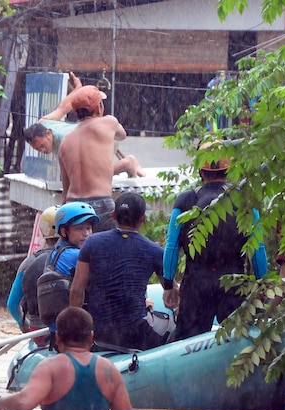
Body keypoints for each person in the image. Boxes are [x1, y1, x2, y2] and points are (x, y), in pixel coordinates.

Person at [163, 141, 268, 341]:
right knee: (238, 344)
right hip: (234, 283)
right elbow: (258, 247)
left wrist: (169, 285)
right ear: (228, 170)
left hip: (196, 285)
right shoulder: (245, 199)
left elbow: (171, 246)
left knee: (187, 346)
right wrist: (263, 285)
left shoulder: (185, 201)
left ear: (200, 171)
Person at [0, 307, 132, 410]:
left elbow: (23, 403)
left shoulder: (49, 367)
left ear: (57, 337)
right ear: (91, 337)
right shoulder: (110, 370)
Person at [70, 191, 172, 351]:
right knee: (171, 329)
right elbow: (170, 295)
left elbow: (77, 290)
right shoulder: (155, 250)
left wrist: (76, 331)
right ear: (143, 218)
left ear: (114, 215)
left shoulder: (92, 243)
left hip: (101, 332)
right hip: (136, 334)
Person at [24, 72, 145, 180]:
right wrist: (77, 89)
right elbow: (64, 107)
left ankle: (127, 164)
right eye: (38, 149)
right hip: (94, 131)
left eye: (42, 146)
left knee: (94, 176)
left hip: (99, 138)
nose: (42, 151)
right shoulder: (43, 122)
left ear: (48, 133)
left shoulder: (66, 142)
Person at [58, 86, 130, 232]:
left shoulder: (65, 142)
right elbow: (122, 135)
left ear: (75, 112)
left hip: (72, 205)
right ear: (99, 107)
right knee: (107, 253)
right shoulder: (108, 122)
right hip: (100, 203)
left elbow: (65, 190)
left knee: (79, 253)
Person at [35, 202, 99, 328]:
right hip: (71, 326)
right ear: (64, 232)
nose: (86, 233)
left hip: (59, 324)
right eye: (79, 228)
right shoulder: (76, 255)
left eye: (88, 228)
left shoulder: (56, 251)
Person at [7, 206, 60, 332]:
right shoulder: (78, 257)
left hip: (37, 330)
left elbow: (12, 305)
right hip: (68, 329)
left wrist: (23, 324)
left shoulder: (28, 262)